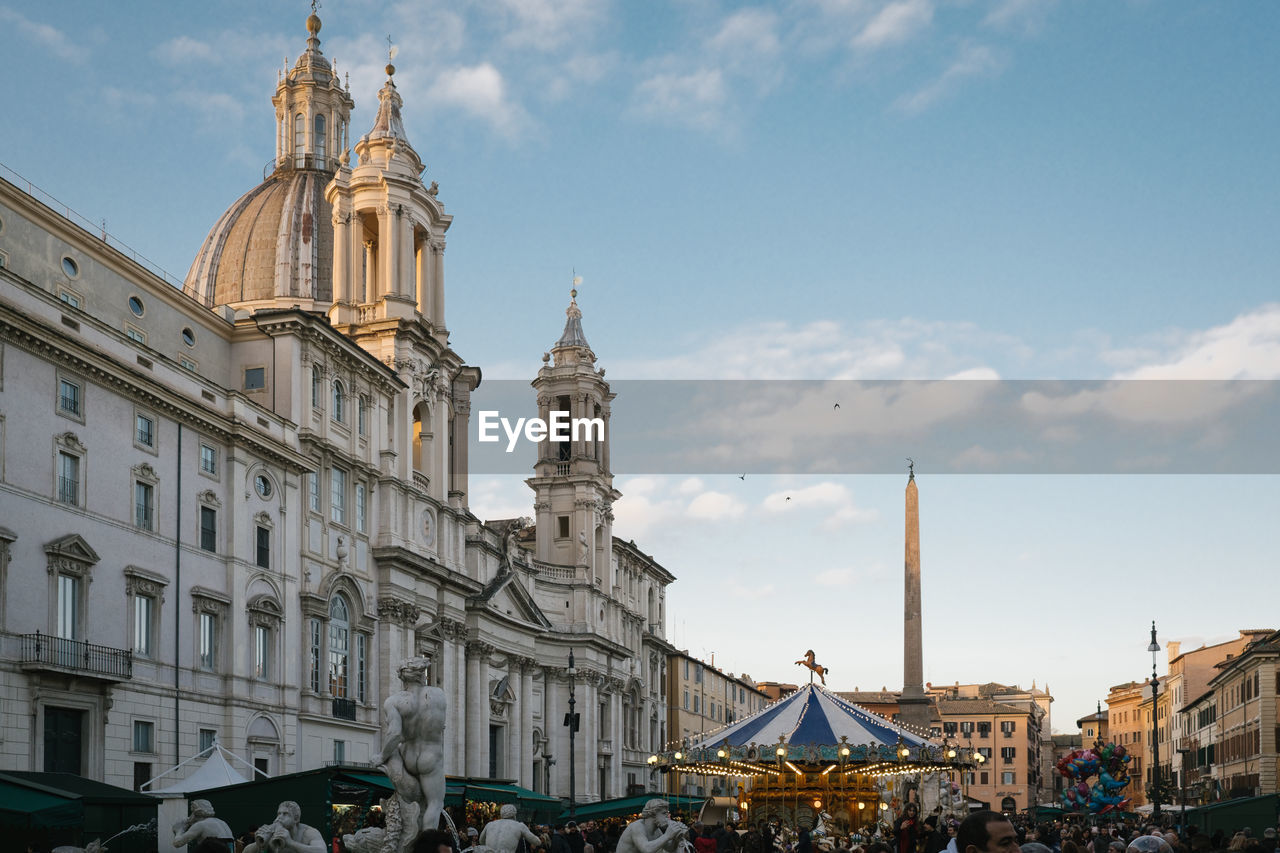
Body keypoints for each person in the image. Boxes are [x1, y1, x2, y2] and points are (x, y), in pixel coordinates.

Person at [380, 657, 448, 848]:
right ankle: (427, 847)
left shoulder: (393, 701)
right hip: (431, 756)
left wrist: (382, 756)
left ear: (403, 678)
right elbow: (440, 726)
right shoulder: (438, 695)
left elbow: (394, 734)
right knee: (434, 804)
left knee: (408, 800)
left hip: (407, 755)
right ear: (422, 676)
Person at [243, 801, 326, 853]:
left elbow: (322, 851)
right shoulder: (272, 832)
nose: (279, 817)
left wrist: (290, 843)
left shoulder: (308, 832)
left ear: (296, 819)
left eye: (285, 814)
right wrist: (259, 845)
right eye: (278, 814)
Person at [615, 799, 690, 853]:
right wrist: (667, 835)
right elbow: (646, 849)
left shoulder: (656, 830)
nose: (667, 816)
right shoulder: (637, 826)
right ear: (652, 814)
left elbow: (669, 848)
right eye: (664, 813)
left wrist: (676, 838)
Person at [480, 805, 545, 853]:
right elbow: (537, 842)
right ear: (514, 815)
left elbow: (481, 841)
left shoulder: (490, 824)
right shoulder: (519, 825)